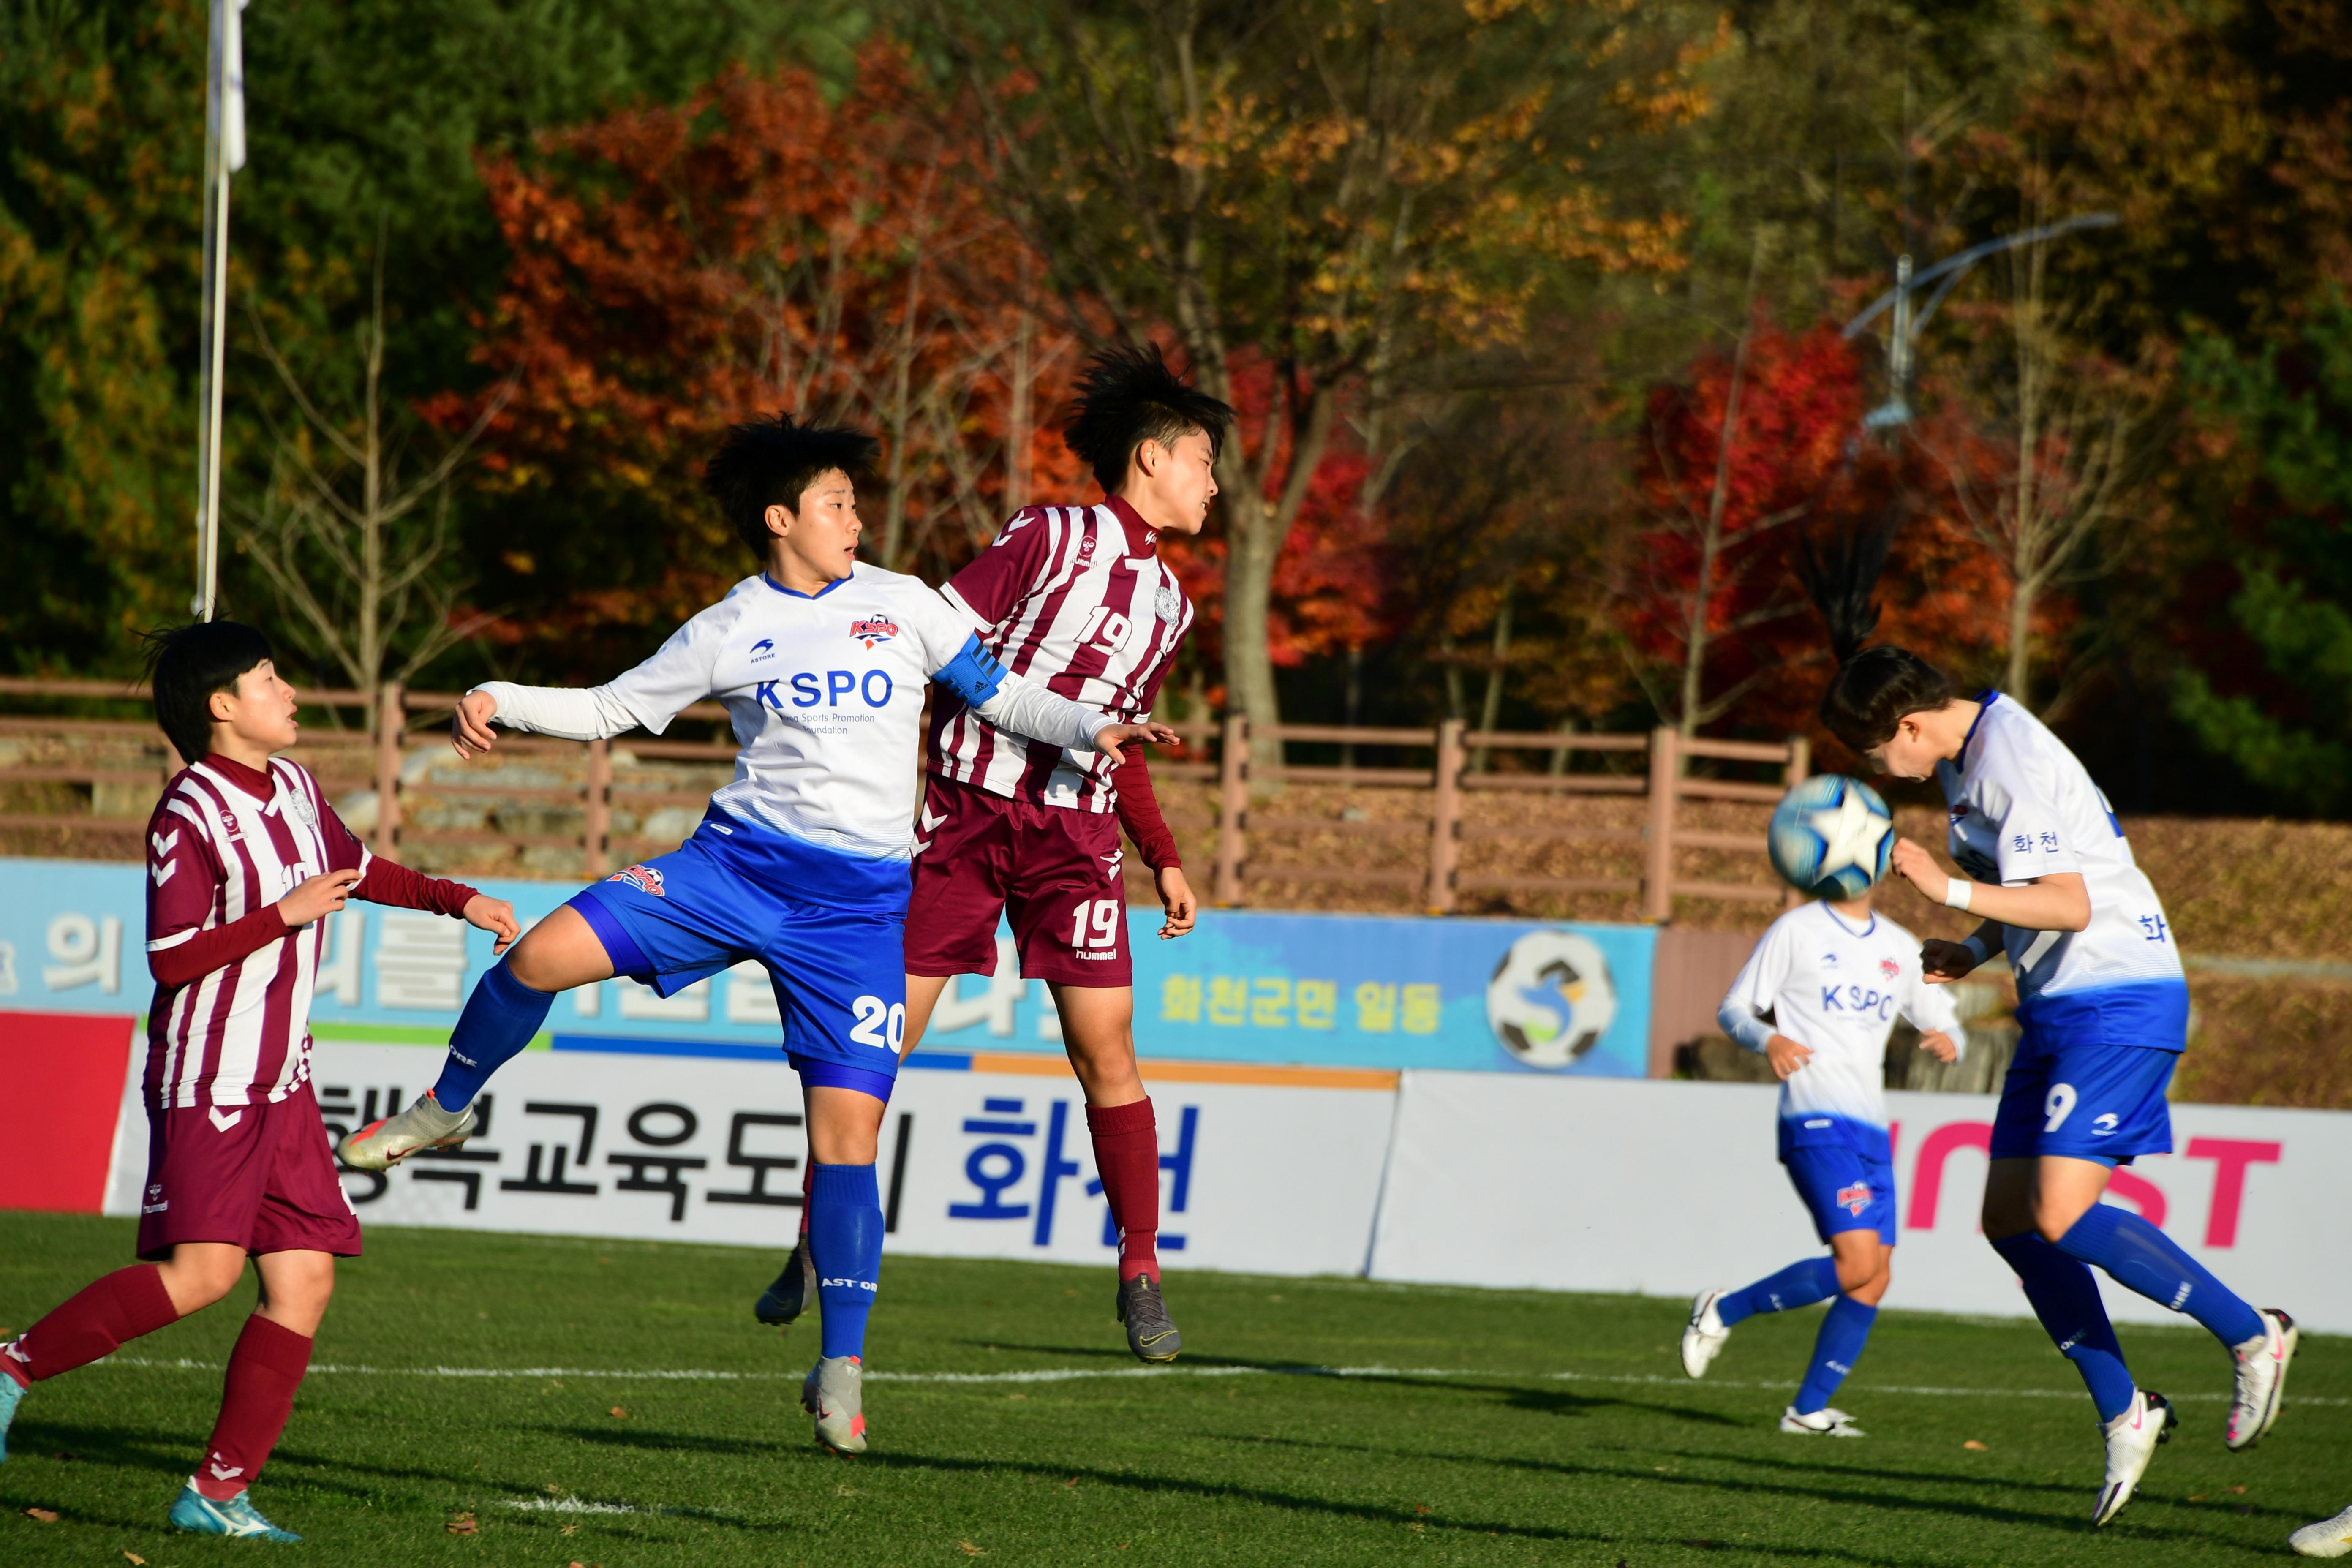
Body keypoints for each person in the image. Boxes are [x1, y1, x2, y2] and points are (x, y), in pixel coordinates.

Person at [337, 414, 1171, 1454]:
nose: (855, 520)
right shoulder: (730, 625)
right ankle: (444, 1106)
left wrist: (1096, 728)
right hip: (729, 871)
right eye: (835, 504)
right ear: (782, 519)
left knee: (848, 1144)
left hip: (858, 910)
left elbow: (1004, 696)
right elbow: (606, 710)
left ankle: (842, 1368)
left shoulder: (903, 604)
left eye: (855, 503)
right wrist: (497, 695)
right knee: (537, 956)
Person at [753, 346, 1228, 1364]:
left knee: (1108, 1054)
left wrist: (1163, 853)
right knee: (875, 1046)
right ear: (1151, 458)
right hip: (965, 823)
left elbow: (1122, 738)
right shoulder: (1050, 535)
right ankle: (812, 1236)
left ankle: (1140, 1270)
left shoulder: (1174, 607)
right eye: (1203, 460)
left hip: (1076, 844)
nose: (1214, 482)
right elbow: (934, 637)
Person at [0, 621, 516, 1540]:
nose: (289, 690)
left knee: (305, 1281)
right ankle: (13, 1367)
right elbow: (169, 954)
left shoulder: (296, 785)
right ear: (222, 705)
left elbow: (356, 869)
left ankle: (217, 1492)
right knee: (201, 1276)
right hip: (212, 1075)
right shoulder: (187, 811)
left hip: (282, 1080)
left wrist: (457, 898)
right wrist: (281, 914)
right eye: (269, 676)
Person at [1824, 642, 2295, 1526]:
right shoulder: (1970, 759)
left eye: (1874, 750)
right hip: (2060, 1005)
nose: (1877, 769)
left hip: (2117, 998)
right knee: (2010, 1218)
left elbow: (2072, 905)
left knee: (2060, 1213)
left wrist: (1946, 885)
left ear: (1910, 724)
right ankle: (2127, 1406)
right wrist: (1973, 945)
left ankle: (2250, 1330)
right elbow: (2032, 893)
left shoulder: (2010, 757)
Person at [1681, 841, 1963, 1437]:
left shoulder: (1895, 944)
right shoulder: (1797, 930)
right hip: (1814, 1117)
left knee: (1875, 1275)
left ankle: (1807, 1412)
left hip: (1870, 1128)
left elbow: (1935, 1008)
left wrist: (1945, 1034)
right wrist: (1770, 1040)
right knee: (1856, 1260)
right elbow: (1735, 1009)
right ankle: (1721, 1310)